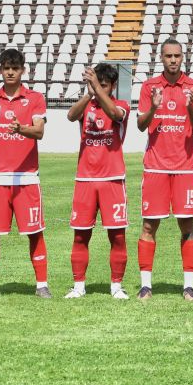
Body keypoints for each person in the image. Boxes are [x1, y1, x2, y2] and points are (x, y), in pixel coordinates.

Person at [0, 48, 49, 299]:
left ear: (23, 70)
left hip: (27, 178)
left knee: (34, 232)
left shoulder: (35, 98)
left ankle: (41, 285)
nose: (10, 72)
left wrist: (20, 129)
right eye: (6, 68)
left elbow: (39, 133)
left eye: (15, 68)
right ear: (0, 70)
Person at [136, 39, 193, 300]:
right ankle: (146, 286)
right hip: (155, 167)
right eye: (169, 56)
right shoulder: (149, 87)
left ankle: (188, 286)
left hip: (185, 168)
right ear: (161, 58)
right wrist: (154, 106)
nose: (173, 60)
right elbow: (141, 125)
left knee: (187, 226)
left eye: (177, 55)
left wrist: (188, 106)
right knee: (148, 226)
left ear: (183, 57)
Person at [66, 63, 131, 299]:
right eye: (95, 83)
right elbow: (70, 115)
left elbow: (114, 114)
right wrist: (89, 94)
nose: (97, 88)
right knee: (81, 234)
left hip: (112, 179)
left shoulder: (121, 105)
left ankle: (116, 286)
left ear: (113, 86)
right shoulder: (87, 105)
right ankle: (78, 286)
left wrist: (98, 90)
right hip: (85, 178)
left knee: (117, 235)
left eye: (103, 85)